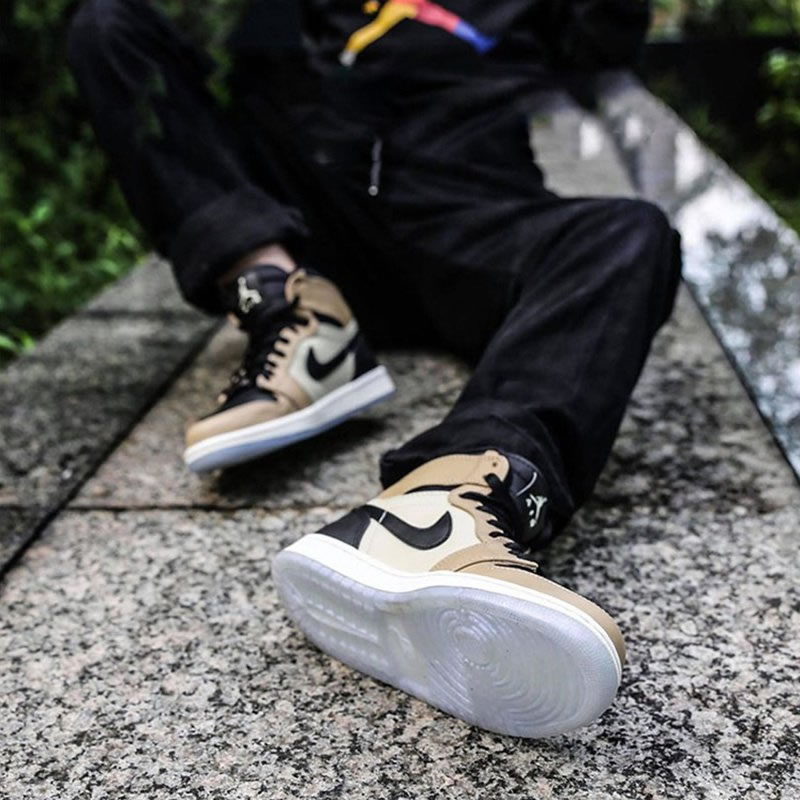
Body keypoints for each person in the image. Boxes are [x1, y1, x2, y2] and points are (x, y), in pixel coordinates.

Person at [68, 0, 681, 738]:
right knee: (107, 23)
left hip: (468, 210)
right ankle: (289, 305)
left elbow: (603, 48)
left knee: (631, 232)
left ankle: (447, 502)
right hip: (310, 211)